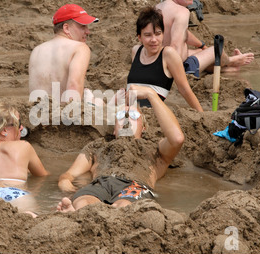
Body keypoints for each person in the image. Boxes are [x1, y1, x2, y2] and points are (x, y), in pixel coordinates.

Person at [57, 84, 185, 212]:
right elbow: (70, 174)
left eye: (133, 115)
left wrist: (151, 94)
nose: (127, 119)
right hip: (101, 183)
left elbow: (177, 138)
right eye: (121, 115)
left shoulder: (154, 150)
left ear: (144, 127)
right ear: (114, 129)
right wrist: (65, 183)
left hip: (135, 185)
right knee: (84, 204)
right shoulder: (98, 146)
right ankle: (75, 212)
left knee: (124, 207)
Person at [156, 0, 255, 77]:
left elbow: (181, 32)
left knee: (202, 53)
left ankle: (230, 68)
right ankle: (232, 60)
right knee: (216, 51)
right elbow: (175, 46)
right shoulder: (182, 12)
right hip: (176, 69)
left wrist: (202, 46)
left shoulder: (157, 7)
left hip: (158, 62)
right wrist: (175, 76)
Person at [0, 103, 50, 216]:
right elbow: (42, 176)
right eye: (18, 123)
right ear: (4, 130)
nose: (21, 128)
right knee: (30, 217)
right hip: (17, 195)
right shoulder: (24, 146)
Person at [127, 6, 203, 111]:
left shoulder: (168, 54)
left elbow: (184, 89)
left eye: (158, 34)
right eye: (148, 35)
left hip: (150, 114)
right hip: (128, 109)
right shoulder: (136, 51)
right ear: (139, 37)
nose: (154, 40)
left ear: (163, 34)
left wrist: (201, 114)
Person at [28, 4, 99, 103]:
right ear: (66, 28)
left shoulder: (37, 50)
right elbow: (74, 86)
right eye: (82, 26)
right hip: (63, 114)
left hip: (37, 115)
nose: (88, 31)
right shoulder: (80, 48)